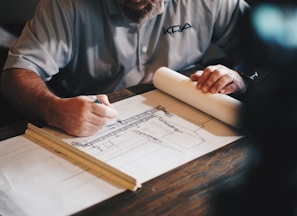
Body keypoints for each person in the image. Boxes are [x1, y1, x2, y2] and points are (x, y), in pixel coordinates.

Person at [1, 0, 252, 137]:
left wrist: (241, 75)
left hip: (192, 121)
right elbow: (18, 72)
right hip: (95, 122)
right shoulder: (65, 5)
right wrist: (51, 108)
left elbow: (275, 52)